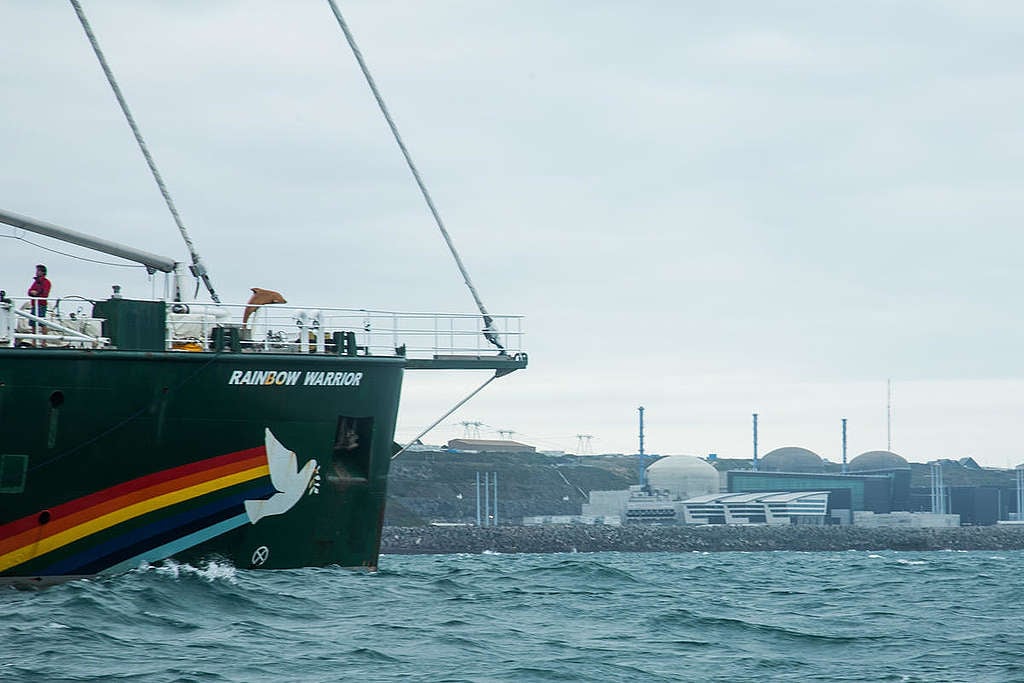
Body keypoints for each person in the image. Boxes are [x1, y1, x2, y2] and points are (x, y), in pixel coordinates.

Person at [27, 264, 51, 336]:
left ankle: (44, 342)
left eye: (38, 271)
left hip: (41, 305)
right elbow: (29, 291)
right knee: (33, 324)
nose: (36, 272)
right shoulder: (36, 282)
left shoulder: (46, 282)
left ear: (43, 272)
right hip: (34, 305)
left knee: (42, 323)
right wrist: (32, 292)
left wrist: (36, 293)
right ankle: (34, 342)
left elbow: (45, 294)